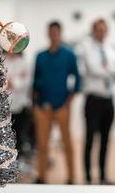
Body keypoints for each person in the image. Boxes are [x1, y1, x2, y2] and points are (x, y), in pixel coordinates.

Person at [32, 21, 81, 184]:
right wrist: (37, 103)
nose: (53, 34)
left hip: (62, 107)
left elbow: (76, 81)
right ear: (48, 33)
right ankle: (42, 177)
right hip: (42, 108)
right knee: (42, 144)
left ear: (60, 33)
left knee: (67, 143)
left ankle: (71, 177)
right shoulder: (40, 56)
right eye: (50, 32)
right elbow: (35, 83)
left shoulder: (69, 55)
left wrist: (68, 103)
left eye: (56, 32)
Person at [77, 18, 115, 184]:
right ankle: (88, 177)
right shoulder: (86, 49)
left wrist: (108, 70)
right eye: (98, 29)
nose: (101, 32)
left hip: (108, 100)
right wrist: (112, 70)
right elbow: (94, 69)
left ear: (107, 31)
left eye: (104, 29)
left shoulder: (111, 51)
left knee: (105, 140)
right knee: (90, 140)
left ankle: (103, 176)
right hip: (93, 100)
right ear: (93, 30)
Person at [5, 52, 33, 155]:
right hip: (5, 109)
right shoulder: (1, 61)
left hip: (21, 107)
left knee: (19, 138)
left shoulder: (24, 63)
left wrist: (14, 83)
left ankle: (17, 164)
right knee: (5, 140)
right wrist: (9, 83)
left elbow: (27, 82)